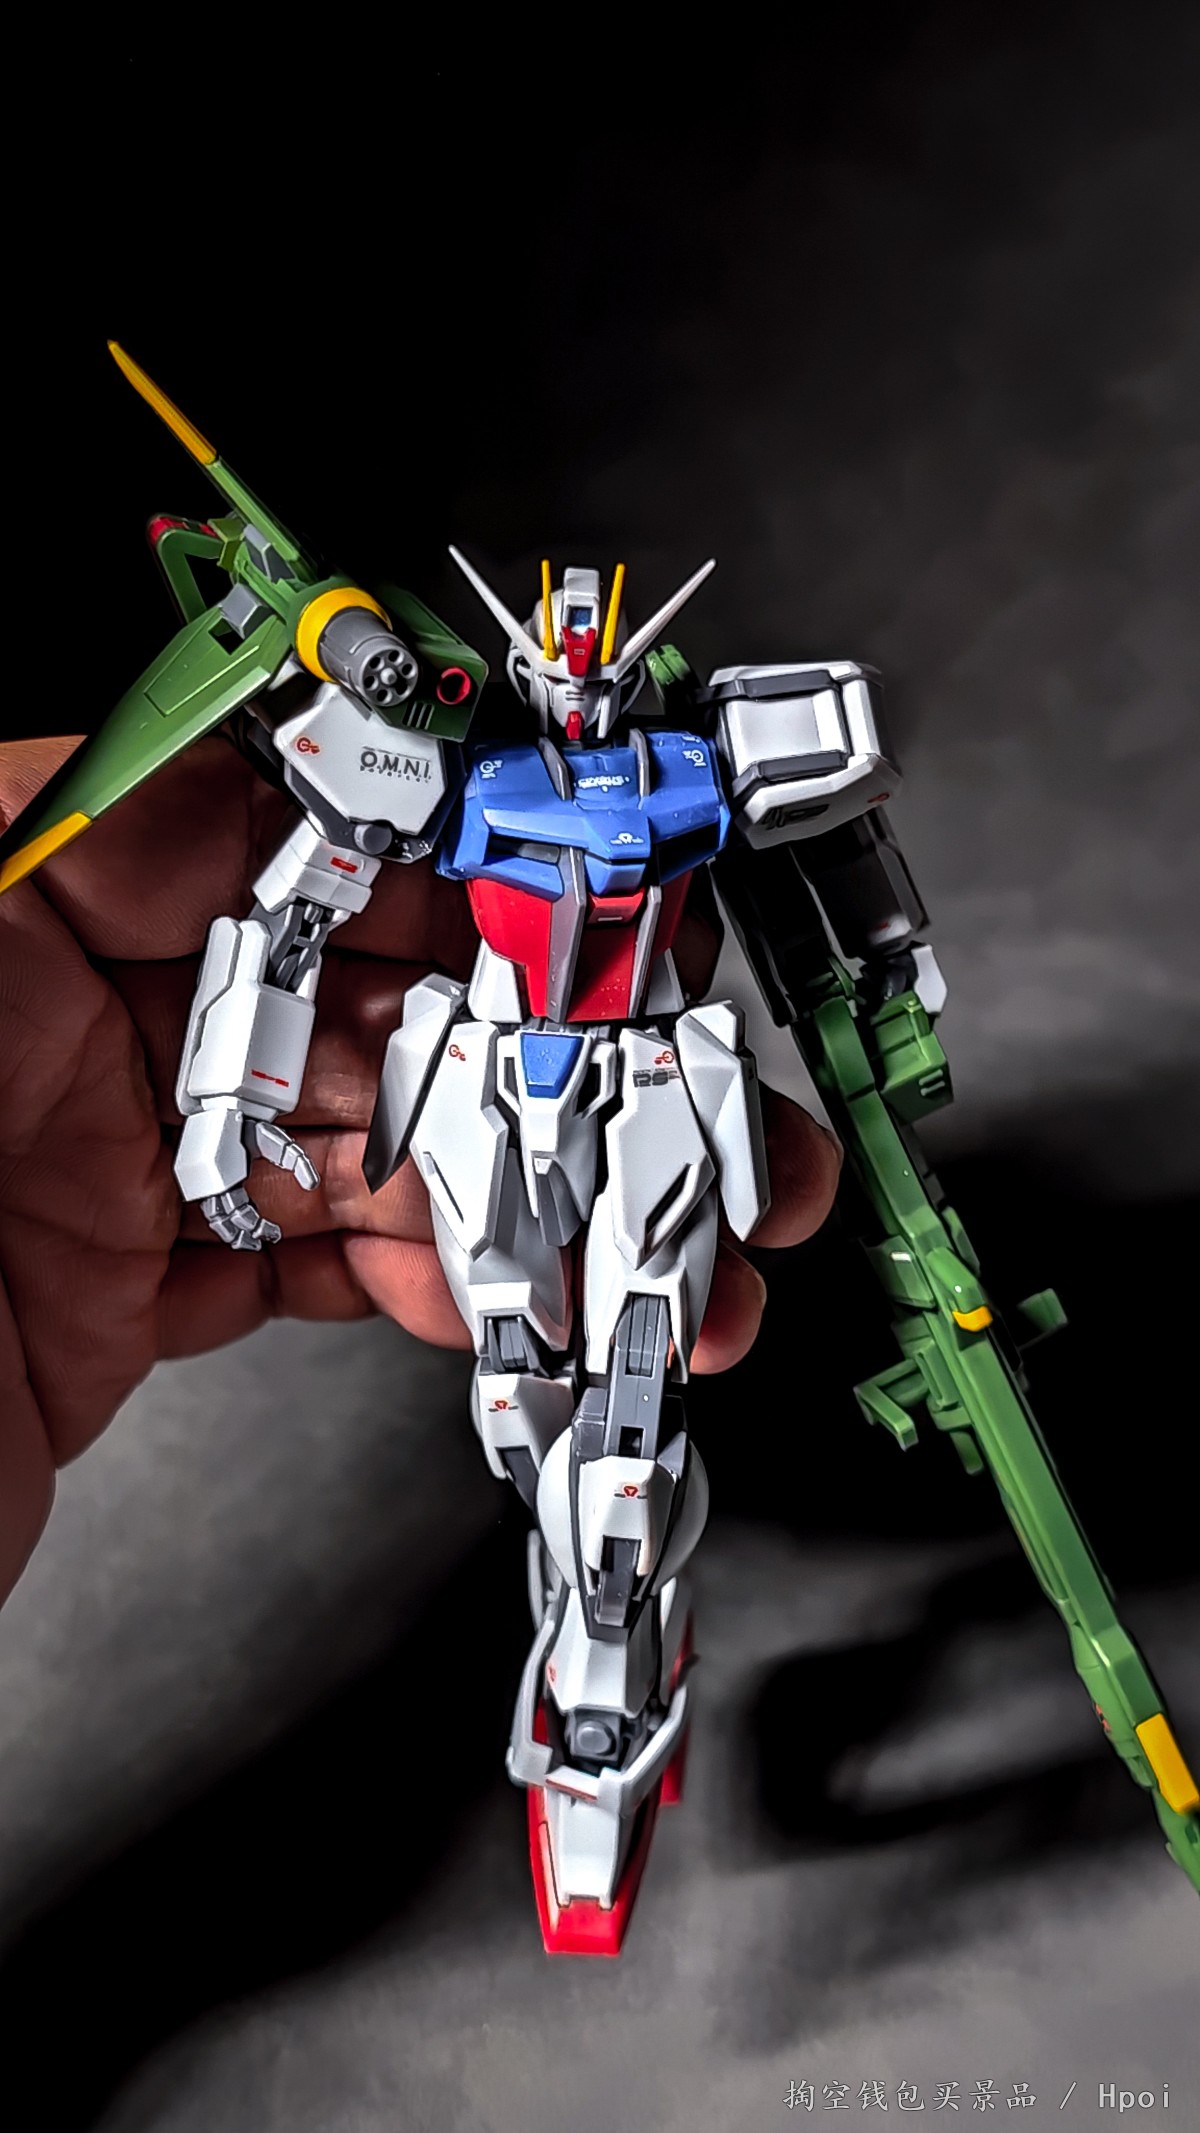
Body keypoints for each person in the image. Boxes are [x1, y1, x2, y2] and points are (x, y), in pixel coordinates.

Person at [0, 732, 841, 1607]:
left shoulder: (697, 757)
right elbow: (294, 916)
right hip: (490, 1056)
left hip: (650, 1059)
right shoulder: (471, 766)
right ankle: (573, 1578)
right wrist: (223, 1108)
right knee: (510, 1366)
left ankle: (612, 1608)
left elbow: (831, 853)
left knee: (643, 1348)